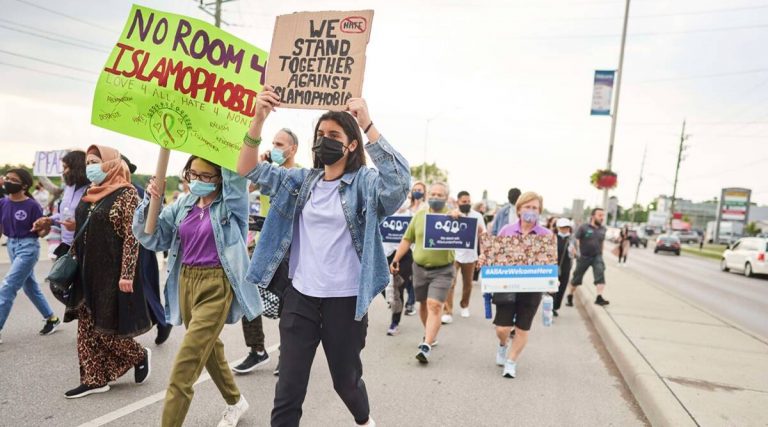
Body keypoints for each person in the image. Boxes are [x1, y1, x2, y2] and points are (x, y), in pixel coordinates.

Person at [237, 86, 409, 427]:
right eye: (320, 134)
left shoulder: (364, 183)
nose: (324, 139)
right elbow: (248, 169)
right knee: (288, 388)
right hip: (299, 298)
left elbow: (400, 183)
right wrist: (258, 119)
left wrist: (368, 123)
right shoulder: (301, 181)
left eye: (334, 134)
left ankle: (363, 419)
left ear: (351, 145)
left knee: (345, 380)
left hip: (344, 302)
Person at [133, 154, 261, 427]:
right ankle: (236, 401)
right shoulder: (183, 205)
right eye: (193, 174)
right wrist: (150, 202)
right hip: (186, 282)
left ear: (220, 178)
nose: (197, 181)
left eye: (206, 177)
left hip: (216, 285)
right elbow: (152, 237)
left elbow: (236, 178)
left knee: (185, 365)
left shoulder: (231, 205)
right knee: (209, 349)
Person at [62, 145, 152, 399]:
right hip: (84, 269)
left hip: (110, 273)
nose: (90, 166)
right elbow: (83, 232)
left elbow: (131, 238)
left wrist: (126, 274)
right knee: (85, 328)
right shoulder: (90, 194)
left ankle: (138, 354)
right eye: (88, 161)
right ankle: (93, 379)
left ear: (112, 163)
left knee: (105, 329)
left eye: (96, 161)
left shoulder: (127, 194)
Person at [233, 128, 299, 376]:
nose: (274, 148)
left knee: (288, 302)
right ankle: (257, 350)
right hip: (262, 244)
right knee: (247, 292)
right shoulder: (268, 172)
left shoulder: (300, 174)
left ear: (293, 149)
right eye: (273, 143)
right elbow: (245, 188)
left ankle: (288, 354)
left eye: (280, 144)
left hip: (288, 247)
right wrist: (259, 165)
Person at [391, 182, 457, 364]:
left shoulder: (452, 217)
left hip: (442, 270)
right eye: (433, 194)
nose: (435, 198)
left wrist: (459, 217)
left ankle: (426, 345)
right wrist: (396, 259)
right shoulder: (420, 216)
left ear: (446, 198)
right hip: (419, 268)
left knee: (434, 305)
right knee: (422, 305)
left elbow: (471, 230)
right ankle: (431, 334)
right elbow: (407, 239)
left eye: (440, 195)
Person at [494, 191, 551, 378]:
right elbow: (495, 256)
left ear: (539, 211)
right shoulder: (506, 231)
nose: (531, 211)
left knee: (522, 327)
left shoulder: (546, 235)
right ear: (519, 209)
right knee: (502, 328)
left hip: (532, 289)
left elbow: (550, 263)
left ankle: (511, 362)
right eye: (527, 207)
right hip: (507, 286)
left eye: (535, 208)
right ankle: (503, 345)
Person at [0, 169, 59, 345]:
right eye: (7, 178)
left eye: (13, 179)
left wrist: (44, 227)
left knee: (8, 286)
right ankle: (51, 318)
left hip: (28, 248)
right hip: (11, 245)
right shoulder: (2, 203)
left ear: (24, 185)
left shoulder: (32, 206)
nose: (8, 181)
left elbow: (42, 232)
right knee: (30, 286)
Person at [120, 155, 173, 345]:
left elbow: (149, 224)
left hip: (140, 247)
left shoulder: (137, 192)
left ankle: (161, 320)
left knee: (145, 286)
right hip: (116, 252)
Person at [382, 180, 425, 335]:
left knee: (398, 288)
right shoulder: (383, 207)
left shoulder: (412, 212)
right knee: (383, 286)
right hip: (385, 252)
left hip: (404, 254)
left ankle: (394, 322)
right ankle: (391, 300)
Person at [32, 151, 90, 259]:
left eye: (66, 167)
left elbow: (96, 220)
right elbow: (64, 214)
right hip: (66, 246)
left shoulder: (92, 189)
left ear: (78, 168)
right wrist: (50, 220)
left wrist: (78, 226)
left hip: (84, 249)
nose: (63, 171)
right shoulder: (68, 188)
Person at [442, 190, 486, 323]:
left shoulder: (477, 216)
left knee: (468, 284)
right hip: (454, 254)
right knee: (450, 283)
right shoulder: (452, 213)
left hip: (470, 255)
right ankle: (447, 311)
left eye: (468, 201)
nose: (467, 204)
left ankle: (464, 305)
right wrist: (451, 214)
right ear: (458, 202)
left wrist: (482, 253)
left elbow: (482, 235)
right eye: (464, 202)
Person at [566, 208, 609, 307]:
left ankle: (599, 297)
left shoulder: (603, 229)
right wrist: (576, 251)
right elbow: (576, 239)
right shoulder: (583, 227)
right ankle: (570, 295)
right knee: (577, 278)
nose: (602, 218)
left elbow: (602, 242)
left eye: (603, 215)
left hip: (597, 256)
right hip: (584, 257)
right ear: (593, 216)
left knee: (600, 272)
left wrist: (601, 255)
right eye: (600, 215)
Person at [552, 218, 575, 316]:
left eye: (566, 227)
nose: (564, 229)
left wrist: (573, 252)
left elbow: (576, 254)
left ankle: (556, 307)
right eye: (562, 227)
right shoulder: (553, 238)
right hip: (553, 266)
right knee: (552, 288)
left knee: (561, 288)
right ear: (558, 228)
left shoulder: (571, 239)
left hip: (565, 267)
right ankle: (551, 306)